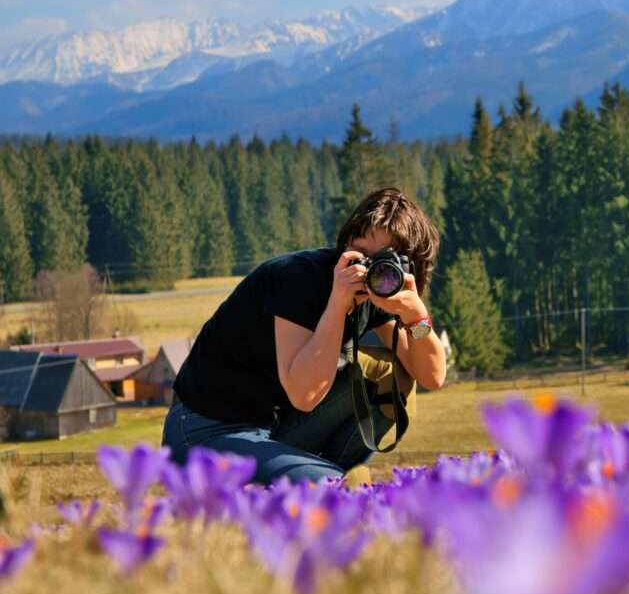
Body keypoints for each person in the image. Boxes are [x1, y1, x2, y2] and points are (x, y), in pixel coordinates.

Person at [161, 187, 446, 485]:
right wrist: (337, 305)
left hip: (272, 429)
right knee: (339, 488)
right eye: (361, 255)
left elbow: (431, 376)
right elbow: (305, 395)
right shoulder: (299, 278)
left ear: (408, 267)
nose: (371, 270)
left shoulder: (380, 290)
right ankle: (315, 478)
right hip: (205, 432)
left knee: (389, 373)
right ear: (345, 245)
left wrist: (417, 317)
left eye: (386, 262)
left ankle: (310, 474)